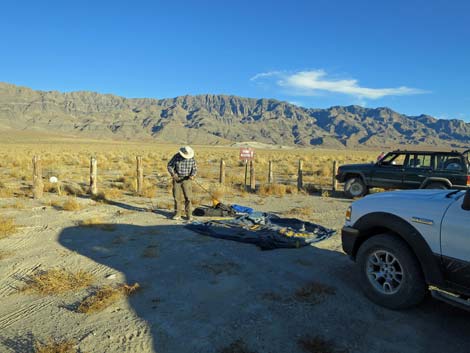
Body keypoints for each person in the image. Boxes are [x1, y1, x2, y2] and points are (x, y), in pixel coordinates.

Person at [167, 146, 197, 221]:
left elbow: (195, 169)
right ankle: (177, 214)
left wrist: (192, 175)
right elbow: (169, 166)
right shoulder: (176, 156)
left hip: (187, 179)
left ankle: (189, 214)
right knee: (177, 197)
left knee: (188, 197)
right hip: (177, 179)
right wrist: (173, 174)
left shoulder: (192, 158)